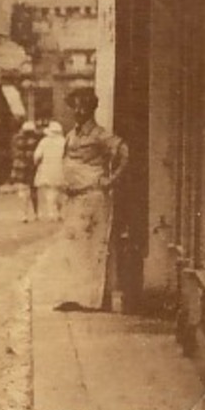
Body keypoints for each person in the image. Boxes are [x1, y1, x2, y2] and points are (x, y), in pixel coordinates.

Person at [59, 87, 128, 309]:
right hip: (74, 198)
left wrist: (112, 179)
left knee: (92, 247)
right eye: (75, 106)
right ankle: (72, 296)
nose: (78, 110)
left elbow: (124, 152)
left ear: (91, 108)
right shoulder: (72, 134)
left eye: (83, 106)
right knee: (72, 247)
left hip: (92, 197)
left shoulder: (100, 134)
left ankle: (90, 300)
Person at [32, 120, 66, 221]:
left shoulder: (44, 141)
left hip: (47, 168)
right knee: (61, 192)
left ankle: (51, 213)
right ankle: (60, 212)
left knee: (50, 192)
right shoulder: (63, 141)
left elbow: (37, 156)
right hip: (61, 169)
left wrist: (37, 163)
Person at [9, 119, 42, 223]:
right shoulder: (36, 140)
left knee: (23, 191)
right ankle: (36, 213)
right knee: (33, 190)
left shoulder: (16, 139)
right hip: (32, 167)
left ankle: (24, 214)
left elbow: (13, 152)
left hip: (20, 168)